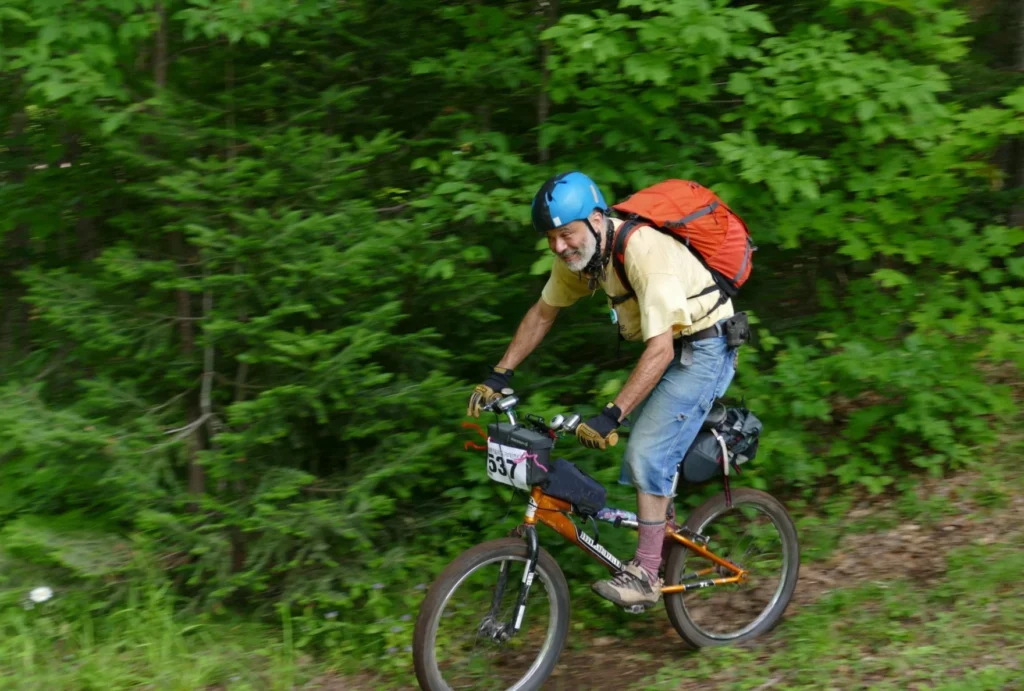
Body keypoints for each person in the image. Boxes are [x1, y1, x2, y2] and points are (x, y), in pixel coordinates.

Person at [467, 171, 739, 609]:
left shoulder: (642, 251)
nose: (558, 246)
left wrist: (613, 413)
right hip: (672, 346)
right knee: (649, 453)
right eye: (551, 238)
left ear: (596, 220)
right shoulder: (585, 258)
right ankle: (665, 541)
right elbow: (541, 314)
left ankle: (647, 575)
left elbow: (661, 349)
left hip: (706, 347)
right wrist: (500, 374)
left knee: (646, 453)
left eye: (566, 234)